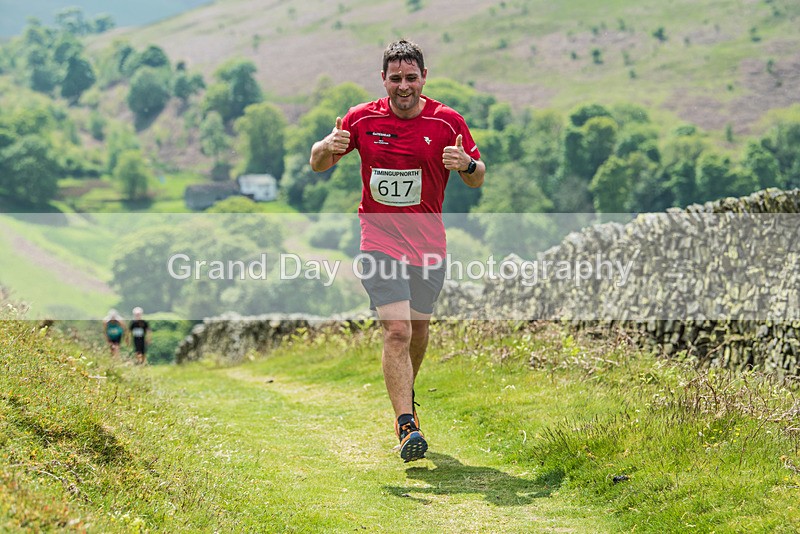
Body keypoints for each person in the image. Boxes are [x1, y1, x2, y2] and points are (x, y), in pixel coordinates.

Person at [309, 39, 485, 462]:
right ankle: (406, 424)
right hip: (379, 242)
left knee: (419, 332)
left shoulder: (448, 122)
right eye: (395, 79)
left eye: (410, 78)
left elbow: (477, 178)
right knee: (398, 331)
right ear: (383, 80)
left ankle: (405, 396)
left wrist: (465, 165)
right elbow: (317, 163)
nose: (403, 86)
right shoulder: (362, 118)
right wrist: (326, 148)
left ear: (424, 78)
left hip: (428, 246)